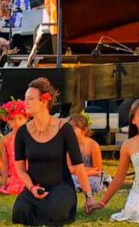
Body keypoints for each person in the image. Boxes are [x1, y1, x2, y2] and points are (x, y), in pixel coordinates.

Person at [12, 77, 95, 225]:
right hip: (35, 187)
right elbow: (20, 169)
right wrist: (31, 188)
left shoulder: (64, 129)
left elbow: (78, 166)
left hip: (60, 186)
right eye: (25, 99)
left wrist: (89, 196)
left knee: (54, 212)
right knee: (20, 212)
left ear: (44, 101)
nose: (26, 103)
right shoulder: (22, 132)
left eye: (30, 99)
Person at [68, 114, 108, 194]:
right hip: (75, 176)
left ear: (84, 130)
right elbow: (69, 169)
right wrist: (84, 171)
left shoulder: (93, 145)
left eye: (73, 128)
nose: (70, 131)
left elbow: (97, 171)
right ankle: (80, 187)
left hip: (90, 177)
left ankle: (80, 187)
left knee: (94, 182)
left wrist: (82, 172)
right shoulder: (68, 145)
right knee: (69, 179)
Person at [0, 100, 28, 195]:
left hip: (32, 177)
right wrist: (3, 183)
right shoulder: (5, 140)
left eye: (20, 118)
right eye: (12, 119)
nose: (16, 122)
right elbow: (5, 165)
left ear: (26, 118)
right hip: (15, 179)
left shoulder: (32, 136)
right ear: (7, 121)